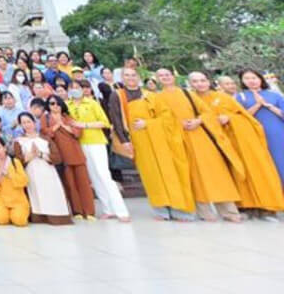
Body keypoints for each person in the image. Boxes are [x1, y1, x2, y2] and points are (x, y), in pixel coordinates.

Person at [190, 71, 284, 218]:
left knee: (255, 169)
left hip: (237, 139)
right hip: (209, 142)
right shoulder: (191, 100)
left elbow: (241, 115)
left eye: (203, 80)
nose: (200, 84)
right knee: (231, 174)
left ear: (209, 82)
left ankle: (265, 206)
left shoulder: (222, 98)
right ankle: (242, 207)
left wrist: (229, 118)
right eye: (195, 81)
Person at [155, 69, 244, 223]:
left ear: (173, 77)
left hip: (200, 137)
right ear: (157, 79)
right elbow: (159, 119)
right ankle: (205, 212)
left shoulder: (187, 94)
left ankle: (230, 212)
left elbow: (206, 112)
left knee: (217, 172)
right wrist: (176, 125)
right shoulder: (156, 97)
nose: (165, 78)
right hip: (179, 140)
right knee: (194, 177)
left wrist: (198, 121)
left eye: (167, 75)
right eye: (161, 76)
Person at [107, 67, 196, 221]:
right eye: (126, 75)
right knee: (151, 175)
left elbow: (167, 117)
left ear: (138, 77)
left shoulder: (151, 95)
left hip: (161, 140)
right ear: (122, 78)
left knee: (170, 173)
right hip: (139, 140)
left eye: (133, 75)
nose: (130, 78)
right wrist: (124, 141)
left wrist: (148, 123)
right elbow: (116, 119)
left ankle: (178, 209)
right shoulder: (118, 95)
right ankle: (160, 210)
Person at [66, 80, 130, 221]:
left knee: (103, 175)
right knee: (94, 178)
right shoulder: (67, 105)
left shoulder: (92, 103)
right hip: (79, 144)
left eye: (77, 87)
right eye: (71, 88)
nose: (74, 90)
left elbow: (104, 122)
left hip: (96, 142)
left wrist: (84, 125)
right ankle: (107, 208)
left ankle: (121, 211)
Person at [41, 95, 95, 220]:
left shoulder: (67, 117)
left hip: (75, 152)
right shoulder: (46, 118)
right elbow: (45, 132)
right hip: (61, 154)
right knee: (69, 183)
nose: (55, 106)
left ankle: (89, 211)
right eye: (51, 103)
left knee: (83, 183)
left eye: (57, 103)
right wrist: (56, 126)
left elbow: (77, 132)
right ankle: (77, 211)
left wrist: (63, 125)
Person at [12, 112, 71, 225]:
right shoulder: (19, 141)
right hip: (31, 172)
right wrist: (29, 156)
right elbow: (18, 161)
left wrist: (40, 154)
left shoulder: (45, 139)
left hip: (48, 171)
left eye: (28, 121)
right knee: (36, 195)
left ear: (34, 122)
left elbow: (57, 157)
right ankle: (39, 216)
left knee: (51, 193)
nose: (27, 125)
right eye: (23, 123)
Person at [235, 68, 284, 190]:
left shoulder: (274, 95)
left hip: (278, 133)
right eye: (247, 78)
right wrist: (257, 105)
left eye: (254, 78)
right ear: (242, 81)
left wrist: (269, 106)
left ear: (260, 79)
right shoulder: (240, 97)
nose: (251, 81)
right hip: (256, 136)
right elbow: (239, 119)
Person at [0, 136, 30, 227]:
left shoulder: (15, 162)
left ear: (5, 148)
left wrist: (10, 175)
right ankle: (7, 214)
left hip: (17, 199)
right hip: (1, 200)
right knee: (0, 219)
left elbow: (24, 181)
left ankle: (14, 214)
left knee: (20, 220)